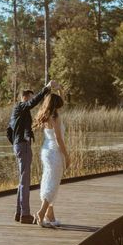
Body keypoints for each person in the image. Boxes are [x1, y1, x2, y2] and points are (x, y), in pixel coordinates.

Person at [8, 80, 58, 224]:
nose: (31, 100)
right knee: (25, 181)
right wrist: (46, 89)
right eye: (30, 97)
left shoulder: (17, 112)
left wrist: (15, 143)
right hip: (23, 146)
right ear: (25, 97)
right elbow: (32, 103)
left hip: (19, 145)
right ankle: (25, 214)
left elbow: (8, 131)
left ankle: (19, 213)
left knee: (22, 180)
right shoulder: (21, 106)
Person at [32, 88, 70, 227]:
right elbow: (59, 139)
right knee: (53, 184)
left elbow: (59, 100)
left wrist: (60, 89)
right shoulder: (56, 117)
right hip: (55, 152)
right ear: (55, 105)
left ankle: (50, 215)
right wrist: (67, 156)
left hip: (46, 151)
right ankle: (41, 212)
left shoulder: (46, 115)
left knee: (47, 180)